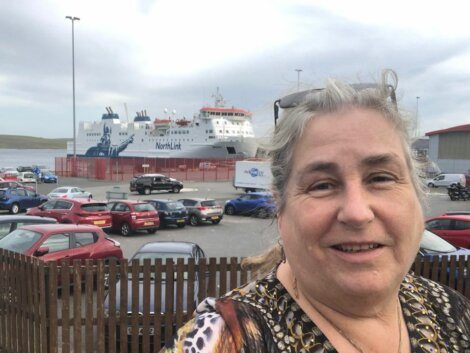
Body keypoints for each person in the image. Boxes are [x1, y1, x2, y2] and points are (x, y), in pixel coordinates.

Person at [159, 70, 470, 353]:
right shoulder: (226, 339)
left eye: (381, 178)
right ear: (281, 208)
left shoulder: (450, 312)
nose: (357, 213)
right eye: (322, 185)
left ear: (417, 195)